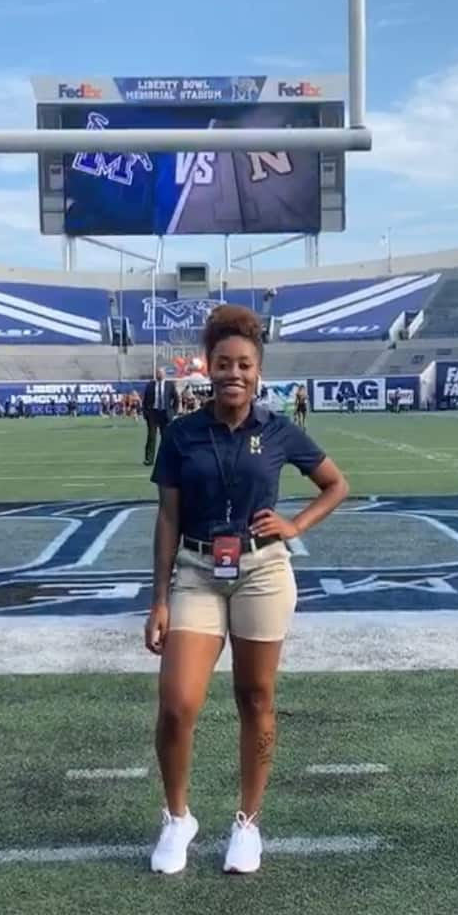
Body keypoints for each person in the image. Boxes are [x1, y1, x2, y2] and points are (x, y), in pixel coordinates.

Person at [145, 303, 349, 877]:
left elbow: (336, 485)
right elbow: (166, 519)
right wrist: (159, 599)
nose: (233, 374)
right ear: (206, 368)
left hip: (262, 572)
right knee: (178, 702)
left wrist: (296, 525)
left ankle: (247, 823)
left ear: (258, 372)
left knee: (255, 698)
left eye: (244, 365)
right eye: (223, 364)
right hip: (196, 570)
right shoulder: (183, 435)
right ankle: (177, 816)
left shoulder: (280, 429)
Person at [142, 365, 178, 466]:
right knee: (151, 437)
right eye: (158, 373)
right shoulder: (150, 385)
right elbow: (145, 400)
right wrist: (146, 413)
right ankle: (149, 459)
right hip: (153, 414)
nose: (159, 374)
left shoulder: (169, 385)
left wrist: (173, 412)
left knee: (166, 438)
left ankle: (167, 459)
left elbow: (176, 399)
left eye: (161, 373)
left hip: (165, 414)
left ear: (164, 374)